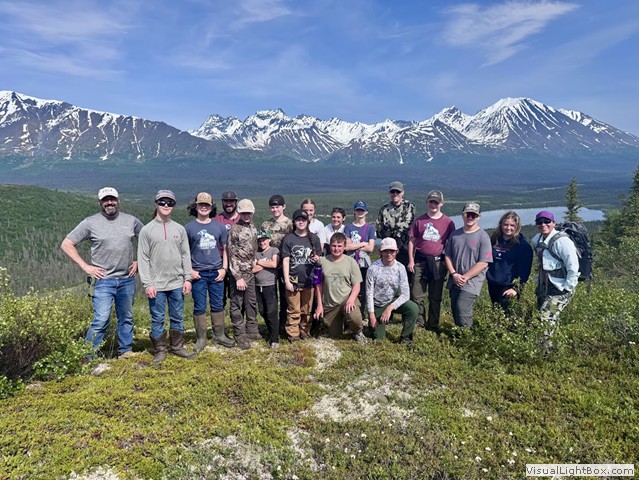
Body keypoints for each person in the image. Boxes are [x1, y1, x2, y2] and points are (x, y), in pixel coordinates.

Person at [61, 187, 144, 359]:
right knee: (101, 320)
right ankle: (88, 357)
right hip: (102, 280)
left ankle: (125, 351)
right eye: (105, 200)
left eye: (112, 199)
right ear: (100, 203)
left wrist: (139, 261)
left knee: (126, 318)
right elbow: (67, 244)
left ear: (118, 201)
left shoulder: (131, 221)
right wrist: (85, 266)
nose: (109, 203)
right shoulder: (90, 222)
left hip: (126, 279)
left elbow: (148, 240)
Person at [138, 190, 195, 364]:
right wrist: (147, 284)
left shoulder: (179, 229)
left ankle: (177, 347)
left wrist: (188, 278)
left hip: (177, 282)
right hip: (157, 284)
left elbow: (185, 254)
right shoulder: (147, 230)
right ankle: (160, 350)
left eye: (170, 203)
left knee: (177, 316)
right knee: (157, 318)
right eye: (162, 202)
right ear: (156, 204)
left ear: (173, 206)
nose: (166, 205)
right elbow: (143, 258)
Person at [184, 192, 234, 351]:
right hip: (198, 274)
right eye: (201, 204)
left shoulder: (219, 227)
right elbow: (184, 252)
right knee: (199, 306)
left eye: (207, 205)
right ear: (196, 206)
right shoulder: (188, 228)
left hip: (216, 272)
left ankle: (219, 335)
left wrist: (224, 269)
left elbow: (225, 249)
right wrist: (190, 271)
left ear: (211, 207)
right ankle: (201, 338)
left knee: (218, 304)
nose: (204, 207)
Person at [407, 190, 455, 332]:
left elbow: (452, 244)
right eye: (431, 202)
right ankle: (420, 322)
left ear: (442, 203)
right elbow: (412, 241)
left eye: (436, 202)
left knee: (435, 296)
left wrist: (449, 263)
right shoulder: (419, 220)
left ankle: (433, 324)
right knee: (416, 294)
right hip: (420, 261)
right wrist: (411, 260)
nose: (433, 205)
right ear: (426, 202)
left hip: (438, 263)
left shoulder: (448, 222)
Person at [531, 210, 579, 340]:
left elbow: (573, 266)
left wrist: (567, 288)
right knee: (549, 318)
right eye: (539, 222)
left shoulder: (562, 241)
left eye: (547, 221)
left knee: (545, 319)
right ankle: (554, 345)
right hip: (544, 286)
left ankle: (545, 349)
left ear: (554, 223)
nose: (543, 224)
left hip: (560, 288)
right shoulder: (537, 240)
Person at [444, 202, 493, 328]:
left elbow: (484, 262)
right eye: (467, 214)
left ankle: (468, 336)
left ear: (478, 217)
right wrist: (454, 274)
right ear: (463, 215)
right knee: (455, 309)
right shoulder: (455, 234)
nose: (470, 217)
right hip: (455, 279)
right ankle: (459, 335)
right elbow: (447, 256)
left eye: (474, 215)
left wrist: (465, 277)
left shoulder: (483, 236)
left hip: (471, 282)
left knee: (462, 307)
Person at [313, 233, 365, 342]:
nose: (336, 249)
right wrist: (319, 305)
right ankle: (342, 322)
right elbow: (318, 284)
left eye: (339, 246)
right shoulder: (322, 261)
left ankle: (357, 331)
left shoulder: (351, 262)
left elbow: (357, 285)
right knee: (335, 334)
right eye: (333, 246)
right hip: (331, 304)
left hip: (346, 298)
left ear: (344, 247)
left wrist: (351, 300)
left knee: (354, 317)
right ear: (330, 246)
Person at [366, 238, 419, 345]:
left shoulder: (400, 268)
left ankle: (405, 337)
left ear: (396, 252)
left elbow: (406, 294)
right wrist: (371, 315)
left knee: (413, 308)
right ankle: (373, 326)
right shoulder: (373, 268)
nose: (389, 254)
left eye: (392, 251)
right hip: (378, 304)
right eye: (385, 251)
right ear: (380, 252)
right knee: (379, 339)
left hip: (392, 300)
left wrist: (390, 308)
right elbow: (369, 293)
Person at [281, 209, 322, 342]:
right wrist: (287, 281)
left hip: (309, 280)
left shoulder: (314, 239)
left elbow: (319, 259)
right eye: (298, 220)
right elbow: (285, 260)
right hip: (293, 280)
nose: (301, 222)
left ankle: (305, 331)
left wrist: (317, 259)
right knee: (294, 309)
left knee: (307, 310)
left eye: (303, 220)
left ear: (307, 221)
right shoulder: (288, 239)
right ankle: (293, 334)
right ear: (294, 222)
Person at [227, 199, 259, 350]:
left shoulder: (253, 227)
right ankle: (239, 333)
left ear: (253, 213)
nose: (246, 215)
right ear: (239, 213)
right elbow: (232, 254)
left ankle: (252, 329)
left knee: (251, 302)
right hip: (238, 273)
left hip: (250, 272)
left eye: (249, 213)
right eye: (244, 213)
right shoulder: (235, 230)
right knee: (237, 304)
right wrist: (238, 277)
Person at [486, 211, 533, 312]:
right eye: (505, 224)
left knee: (507, 315)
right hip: (493, 284)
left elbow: (525, 271)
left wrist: (516, 289)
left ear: (517, 227)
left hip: (509, 287)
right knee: (496, 313)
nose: (508, 228)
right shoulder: (494, 240)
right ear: (501, 225)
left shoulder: (523, 246)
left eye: (512, 225)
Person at [260, 194, 293, 336]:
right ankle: (272, 326)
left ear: (284, 206)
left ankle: (284, 325)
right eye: (272, 207)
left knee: (285, 297)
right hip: (270, 265)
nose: (275, 210)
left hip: (286, 265)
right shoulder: (266, 225)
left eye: (277, 207)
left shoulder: (290, 224)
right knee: (270, 297)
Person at [377, 181, 416, 281]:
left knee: (405, 276)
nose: (395, 194)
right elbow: (379, 227)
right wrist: (387, 234)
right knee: (387, 275)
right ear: (389, 193)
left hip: (403, 245)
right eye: (392, 192)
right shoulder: (384, 208)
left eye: (397, 192)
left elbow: (407, 224)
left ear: (402, 192)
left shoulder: (409, 206)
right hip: (388, 247)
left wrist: (390, 231)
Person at [345, 201, 376, 313]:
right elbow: (347, 247)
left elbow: (370, 248)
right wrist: (363, 244)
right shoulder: (348, 227)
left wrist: (354, 246)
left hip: (364, 264)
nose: (360, 212)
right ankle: (349, 311)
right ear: (354, 211)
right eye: (358, 210)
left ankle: (361, 313)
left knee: (363, 290)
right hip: (351, 262)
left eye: (362, 210)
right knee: (350, 287)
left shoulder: (370, 228)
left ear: (366, 212)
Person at [253, 229, 280, 348]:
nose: (262, 242)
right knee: (262, 311)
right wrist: (265, 263)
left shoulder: (274, 250)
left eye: (264, 239)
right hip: (258, 286)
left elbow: (274, 264)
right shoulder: (256, 253)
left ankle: (275, 338)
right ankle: (270, 331)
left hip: (270, 285)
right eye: (259, 240)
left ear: (269, 240)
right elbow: (253, 269)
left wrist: (259, 262)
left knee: (271, 311)